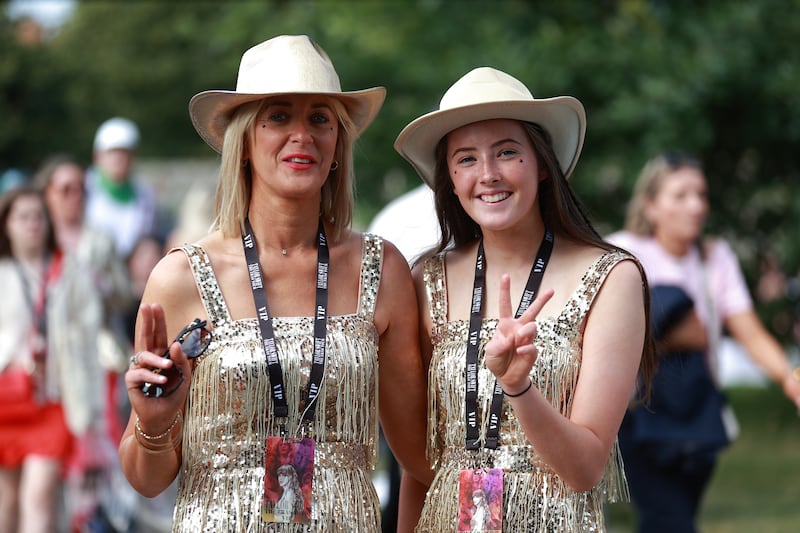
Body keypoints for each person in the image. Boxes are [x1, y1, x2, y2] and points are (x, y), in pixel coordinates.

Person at [118, 34, 431, 532]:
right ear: (243, 142)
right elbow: (146, 480)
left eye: (319, 119)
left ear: (336, 147)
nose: (301, 135)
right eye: (279, 117)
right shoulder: (180, 276)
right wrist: (154, 426)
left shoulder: (382, 268)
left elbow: (420, 456)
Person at [393, 66, 657, 531]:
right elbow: (420, 463)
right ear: (451, 181)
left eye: (507, 153)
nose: (488, 175)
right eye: (466, 159)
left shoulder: (611, 277)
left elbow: (585, 470)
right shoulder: (425, 279)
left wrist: (518, 387)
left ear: (542, 165)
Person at [607, 152, 800, 533]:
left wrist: (787, 375)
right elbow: (604, 332)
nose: (696, 205)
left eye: (701, 194)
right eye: (680, 195)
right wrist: (684, 332)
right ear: (650, 205)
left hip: (698, 413)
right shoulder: (622, 253)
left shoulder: (715, 258)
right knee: (671, 520)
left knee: (671, 519)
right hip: (635, 415)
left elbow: (748, 330)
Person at [34, 155, 137, 531]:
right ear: (47, 194)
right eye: (65, 189)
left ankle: (95, 519)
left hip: (98, 360)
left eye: (80, 188)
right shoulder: (35, 242)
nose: (74, 197)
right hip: (50, 366)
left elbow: (126, 295)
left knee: (98, 447)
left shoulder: (100, 240)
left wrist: (104, 288)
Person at [0, 185, 103, 532]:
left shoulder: (68, 270)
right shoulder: (3, 271)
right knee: (5, 501)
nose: (32, 224)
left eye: (38, 217)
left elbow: (89, 344)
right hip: (7, 401)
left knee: (39, 495)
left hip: (54, 399)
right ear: (6, 224)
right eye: (22, 217)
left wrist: (92, 416)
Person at [85, 116, 158, 259]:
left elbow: (148, 235)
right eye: (112, 153)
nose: (119, 159)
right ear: (97, 157)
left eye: (125, 153)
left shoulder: (144, 193)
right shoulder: (83, 187)